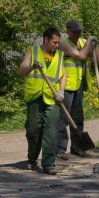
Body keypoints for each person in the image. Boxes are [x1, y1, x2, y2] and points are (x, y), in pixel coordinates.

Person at [18, 27, 67, 175]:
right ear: (45, 40)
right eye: (54, 42)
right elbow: (21, 72)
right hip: (35, 97)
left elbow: (63, 76)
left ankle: (48, 164)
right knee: (33, 130)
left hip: (52, 99)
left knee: (51, 132)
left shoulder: (59, 56)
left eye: (58, 43)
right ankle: (32, 158)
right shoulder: (31, 52)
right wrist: (33, 66)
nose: (57, 45)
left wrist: (61, 92)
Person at [56, 20, 99, 160]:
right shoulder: (63, 45)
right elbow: (81, 56)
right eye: (74, 31)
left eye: (79, 31)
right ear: (67, 31)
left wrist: (95, 45)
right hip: (66, 85)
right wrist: (88, 42)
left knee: (78, 118)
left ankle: (77, 147)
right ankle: (60, 149)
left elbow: (96, 60)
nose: (77, 33)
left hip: (79, 84)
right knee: (64, 118)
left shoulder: (82, 42)